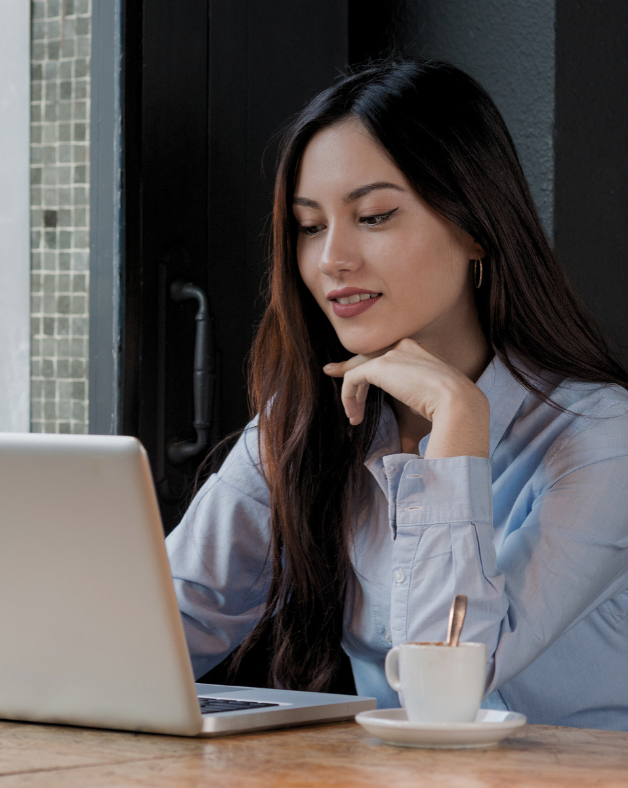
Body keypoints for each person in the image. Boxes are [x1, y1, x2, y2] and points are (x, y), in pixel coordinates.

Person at [166, 58, 628, 731]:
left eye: (374, 216)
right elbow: (166, 624)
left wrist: (458, 428)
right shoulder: (301, 426)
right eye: (310, 226)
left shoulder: (600, 440)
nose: (331, 261)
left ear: (474, 226)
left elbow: (448, 693)